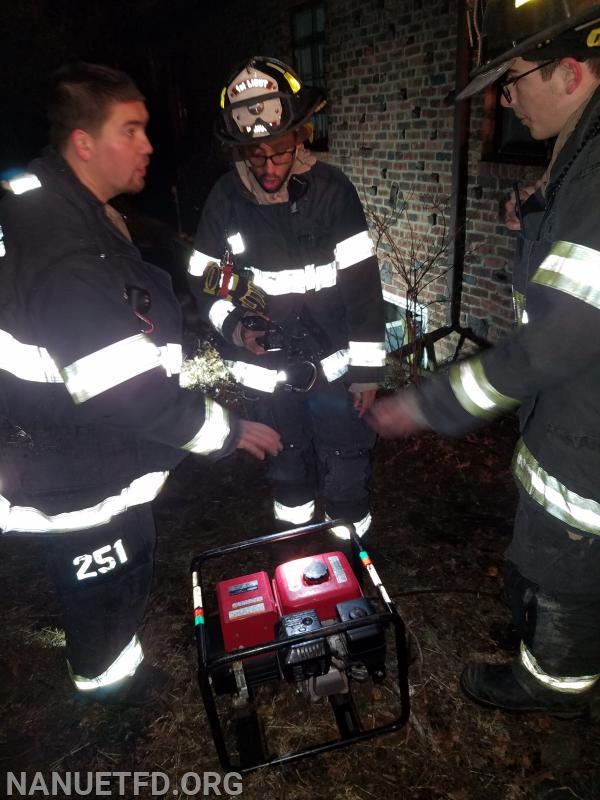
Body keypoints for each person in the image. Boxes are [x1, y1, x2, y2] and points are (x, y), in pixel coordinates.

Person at [0, 62, 281, 706]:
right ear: (83, 144)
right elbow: (126, 391)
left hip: (65, 445)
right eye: (131, 130)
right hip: (75, 466)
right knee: (106, 582)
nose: (149, 144)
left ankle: (111, 672)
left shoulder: (54, 206)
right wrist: (229, 430)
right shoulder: (66, 252)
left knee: (114, 574)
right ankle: (110, 701)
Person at [369, 0, 600, 718]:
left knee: (567, 559)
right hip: (575, 416)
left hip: (588, 435)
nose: (506, 97)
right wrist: (534, 208)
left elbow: (559, 339)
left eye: (513, 78)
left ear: (568, 71)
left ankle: (552, 691)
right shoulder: (582, 151)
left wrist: (425, 403)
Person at [188, 57, 386, 554]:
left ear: (301, 137)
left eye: (279, 153)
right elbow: (201, 280)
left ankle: (351, 560)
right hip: (265, 376)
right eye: (256, 157)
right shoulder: (225, 199)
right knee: (287, 467)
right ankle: (296, 555)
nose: (269, 167)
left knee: (345, 463)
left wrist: (366, 372)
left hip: (335, 371)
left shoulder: (333, 191)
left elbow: (362, 285)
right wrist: (236, 328)